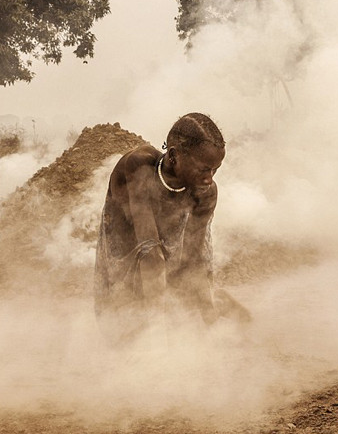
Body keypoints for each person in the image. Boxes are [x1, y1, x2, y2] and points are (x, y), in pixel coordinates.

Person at [94, 113, 249, 344]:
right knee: (118, 329)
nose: (209, 179)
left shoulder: (205, 193)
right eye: (203, 169)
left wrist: (210, 317)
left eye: (215, 170)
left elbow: (194, 258)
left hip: (164, 253)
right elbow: (149, 251)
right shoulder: (138, 166)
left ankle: (219, 304)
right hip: (126, 248)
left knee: (185, 304)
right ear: (174, 156)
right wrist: (159, 337)